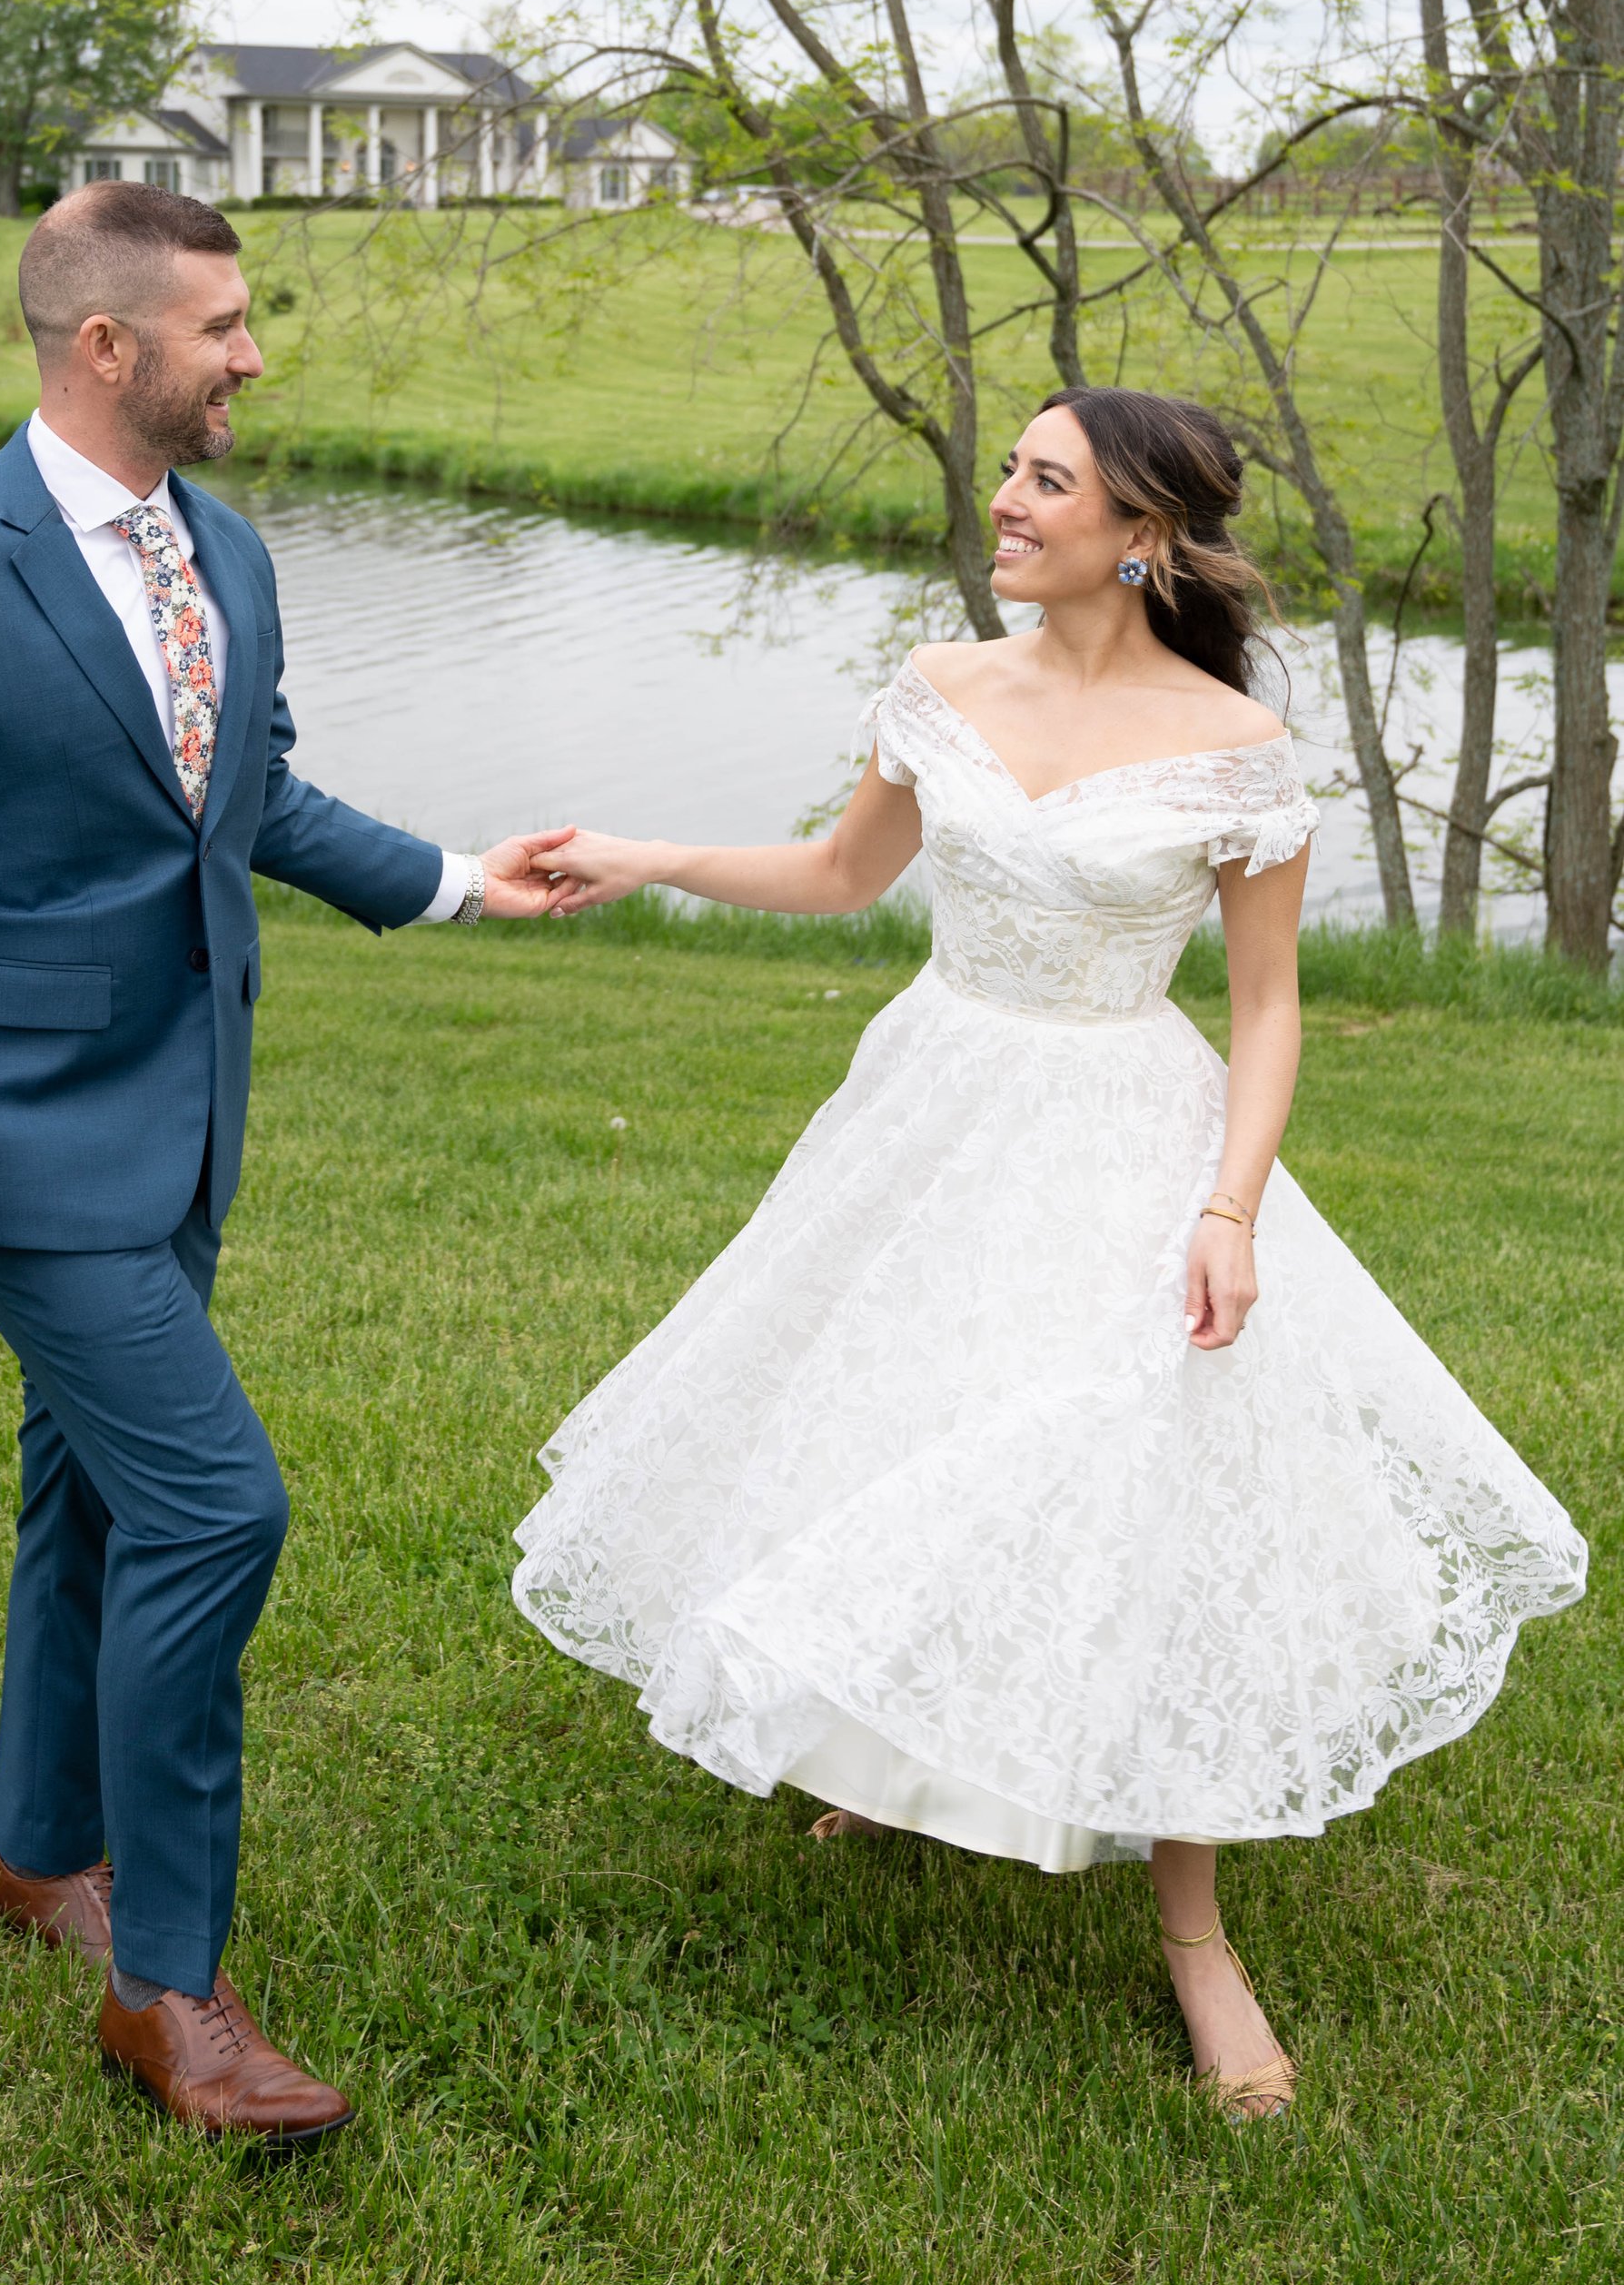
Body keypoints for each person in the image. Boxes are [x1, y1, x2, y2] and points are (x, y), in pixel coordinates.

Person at [515, 385, 1586, 2117]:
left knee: (1151, 1484)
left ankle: (1195, 1932)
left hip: (1123, 1126)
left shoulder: (1236, 745)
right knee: (896, 1411)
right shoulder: (941, 684)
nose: (1004, 499)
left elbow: (1267, 1006)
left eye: (1045, 480)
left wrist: (1230, 1208)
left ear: (1141, 533)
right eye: (1011, 470)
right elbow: (843, 872)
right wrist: (641, 857)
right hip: (931, 1101)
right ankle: (885, 1735)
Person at [0, 181, 569, 2147]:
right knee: (213, 1509)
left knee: (96, 1499)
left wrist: (457, 881)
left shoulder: (226, 545)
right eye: (223, 324)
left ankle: (40, 1848)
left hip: (185, 1114)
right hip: (10, 1134)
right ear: (106, 345)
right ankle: (167, 1990)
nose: (253, 355)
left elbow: (248, 788)